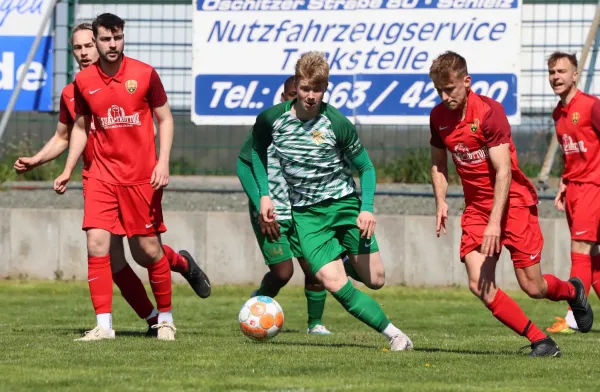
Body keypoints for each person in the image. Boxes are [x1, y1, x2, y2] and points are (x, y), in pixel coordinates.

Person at [13, 22, 210, 338]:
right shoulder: (74, 89)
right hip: (98, 178)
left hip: (134, 178)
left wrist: (155, 155)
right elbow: (65, 135)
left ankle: (180, 264)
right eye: (77, 48)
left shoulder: (134, 77)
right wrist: (41, 161)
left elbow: (154, 118)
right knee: (104, 251)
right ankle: (139, 321)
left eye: (88, 45)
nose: (83, 53)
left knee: (143, 252)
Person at [428, 50, 593, 357]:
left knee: (534, 287)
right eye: (438, 90)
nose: (444, 96)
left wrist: (495, 223)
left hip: (513, 204)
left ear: (466, 82)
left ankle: (573, 291)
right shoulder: (438, 117)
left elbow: (503, 170)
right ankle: (541, 341)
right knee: (478, 283)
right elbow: (438, 163)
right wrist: (441, 200)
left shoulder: (489, 112)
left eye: (449, 89)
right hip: (477, 209)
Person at [251, 52, 412, 351]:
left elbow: (366, 167)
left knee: (376, 279)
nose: (311, 96)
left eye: (318, 89)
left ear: (326, 88)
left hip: (344, 206)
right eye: (305, 88)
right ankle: (396, 335)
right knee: (332, 282)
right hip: (307, 216)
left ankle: (341, 260)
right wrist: (264, 194)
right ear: (296, 86)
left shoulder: (337, 123)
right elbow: (256, 153)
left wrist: (366, 208)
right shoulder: (272, 119)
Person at [237, 76, 332, 335]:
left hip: (304, 210)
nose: (297, 99)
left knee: (316, 269)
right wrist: (259, 206)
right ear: (284, 96)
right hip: (271, 211)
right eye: (292, 94)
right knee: (282, 272)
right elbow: (243, 164)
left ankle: (316, 325)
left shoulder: (319, 128)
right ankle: (256, 306)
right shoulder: (269, 124)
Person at [545, 52, 600, 334]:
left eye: (562, 71)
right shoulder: (558, 112)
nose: (556, 76)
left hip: (594, 187)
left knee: (580, 251)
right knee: (593, 257)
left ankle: (574, 318)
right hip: (575, 190)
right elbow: (571, 154)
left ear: (575, 75)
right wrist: (564, 183)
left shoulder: (591, 106)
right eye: (552, 72)